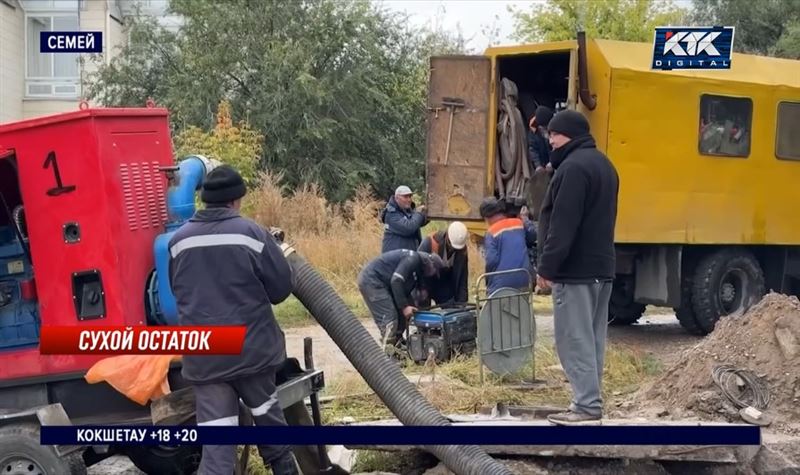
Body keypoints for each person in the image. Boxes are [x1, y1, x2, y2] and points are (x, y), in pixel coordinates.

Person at [168, 165, 300, 475]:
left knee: (217, 448)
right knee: (272, 430)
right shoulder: (252, 234)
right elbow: (281, 289)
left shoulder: (178, 241)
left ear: (205, 200)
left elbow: (178, 292)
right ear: (235, 200)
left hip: (205, 360)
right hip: (252, 354)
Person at [536, 110, 619, 425]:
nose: (551, 141)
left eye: (554, 135)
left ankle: (586, 405)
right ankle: (590, 400)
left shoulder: (572, 169)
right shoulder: (605, 165)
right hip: (602, 268)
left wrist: (547, 266)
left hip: (575, 270)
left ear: (566, 134)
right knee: (593, 338)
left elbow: (563, 225)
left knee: (573, 338)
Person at [357, 250, 444, 348]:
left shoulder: (417, 268)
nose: (431, 275)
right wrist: (405, 307)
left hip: (383, 283)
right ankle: (388, 355)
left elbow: (403, 290)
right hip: (372, 281)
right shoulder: (413, 258)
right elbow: (396, 280)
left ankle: (397, 345)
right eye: (433, 272)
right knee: (390, 321)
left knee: (402, 317)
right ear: (430, 264)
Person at [479, 197, 532, 295]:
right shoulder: (519, 223)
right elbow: (532, 236)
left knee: (495, 308)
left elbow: (491, 261)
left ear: (487, 217)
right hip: (524, 279)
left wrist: (487, 280)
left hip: (501, 285)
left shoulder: (491, 232)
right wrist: (526, 219)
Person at [418, 221, 469, 305]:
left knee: (451, 310)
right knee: (423, 312)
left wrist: (462, 304)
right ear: (447, 236)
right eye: (452, 246)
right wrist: (422, 291)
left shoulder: (462, 252)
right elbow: (417, 268)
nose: (453, 249)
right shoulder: (430, 242)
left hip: (445, 285)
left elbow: (462, 279)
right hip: (426, 282)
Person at [380, 185, 428, 253]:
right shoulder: (391, 214)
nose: (409, 199)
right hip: (394, 259)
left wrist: (429, 215)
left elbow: (417, 222)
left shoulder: (407, 210)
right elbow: (409, 227)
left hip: (405, 256)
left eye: (410, 196)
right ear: (397, 198)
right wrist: (419, 213)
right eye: (405, 197)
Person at [528, 105, 554, 172]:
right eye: (542, 127)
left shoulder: (558, 128)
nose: (544, 129)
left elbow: (559, 148)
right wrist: (538, 165)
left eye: (546, 127)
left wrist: (552, 162)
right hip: (543, 162)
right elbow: (533, 148)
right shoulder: (533, 129)